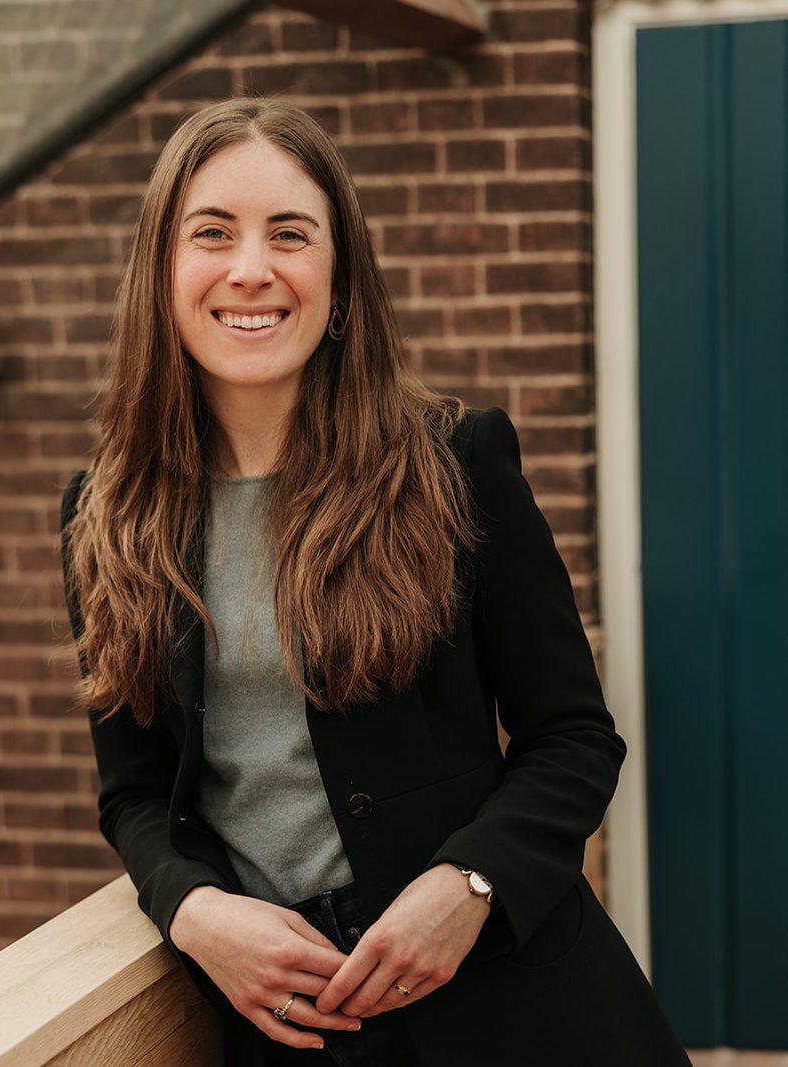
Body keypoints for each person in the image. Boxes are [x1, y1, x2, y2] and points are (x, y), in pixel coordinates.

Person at [60, 98, 689, 1066]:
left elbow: (571, 737)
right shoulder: (102, 512)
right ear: (161, 271)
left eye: (289, 234)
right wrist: (189, 906)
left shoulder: (453, 461)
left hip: (508, 996)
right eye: (212, 232)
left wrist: (470, 881)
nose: (250, 268)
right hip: (293, 1020)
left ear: (339, 277)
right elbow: (132, 792)